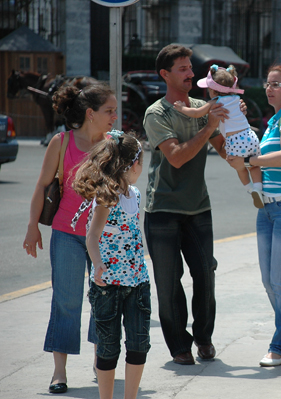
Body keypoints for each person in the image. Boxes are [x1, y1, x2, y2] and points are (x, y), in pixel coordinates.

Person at [23, 82, 116, 394]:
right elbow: (41, 186)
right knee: (66, 301)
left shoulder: (113, 144)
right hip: (66, 234)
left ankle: (98, 360)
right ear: (90, 114)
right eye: (109, 111)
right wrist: (32, 226)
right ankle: (59, 372)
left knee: (103, 300)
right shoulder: (61, 142)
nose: (115, 116)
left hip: (104, 237)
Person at [143, 44, 230, 365]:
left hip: (198, 208)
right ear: (165, 74)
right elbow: (176, 158)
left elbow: (225, 149)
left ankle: (204, 338)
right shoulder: (156, 113)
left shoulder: (203, 106)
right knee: (168, 282)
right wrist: (209, 127)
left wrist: (235, 125)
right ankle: (179, 346)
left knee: (206, 274)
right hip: (162, 210)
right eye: (182, 69)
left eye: (191, 67)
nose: (191, 73)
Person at [227, 64, 281, 367]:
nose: (269, 88)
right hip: (269, 209)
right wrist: (242, 163)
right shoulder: (274, 120)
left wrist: (250, 158)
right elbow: (256, 169)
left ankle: (280, 346)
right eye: (267, 83)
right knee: (269, 280)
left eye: (276, 83)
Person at [72, 131, 150, 399]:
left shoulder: (136, 194)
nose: (143, 167)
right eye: (141, 161)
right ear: (132, 164)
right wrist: (97, 265)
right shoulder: (107, 197)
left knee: (139, 345)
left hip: (138, 282)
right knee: (108, 348)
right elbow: (91, 236)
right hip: (108, 286)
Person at [174, 64, 263, 208]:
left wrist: (181, 108)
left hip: (234, 142)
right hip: (250, 136)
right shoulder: (237, 99)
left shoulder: (215, 102)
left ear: (214, 91)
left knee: (241, 168)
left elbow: (197, 113)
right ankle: (258, 189)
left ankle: (249, 189)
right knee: (254, 166)